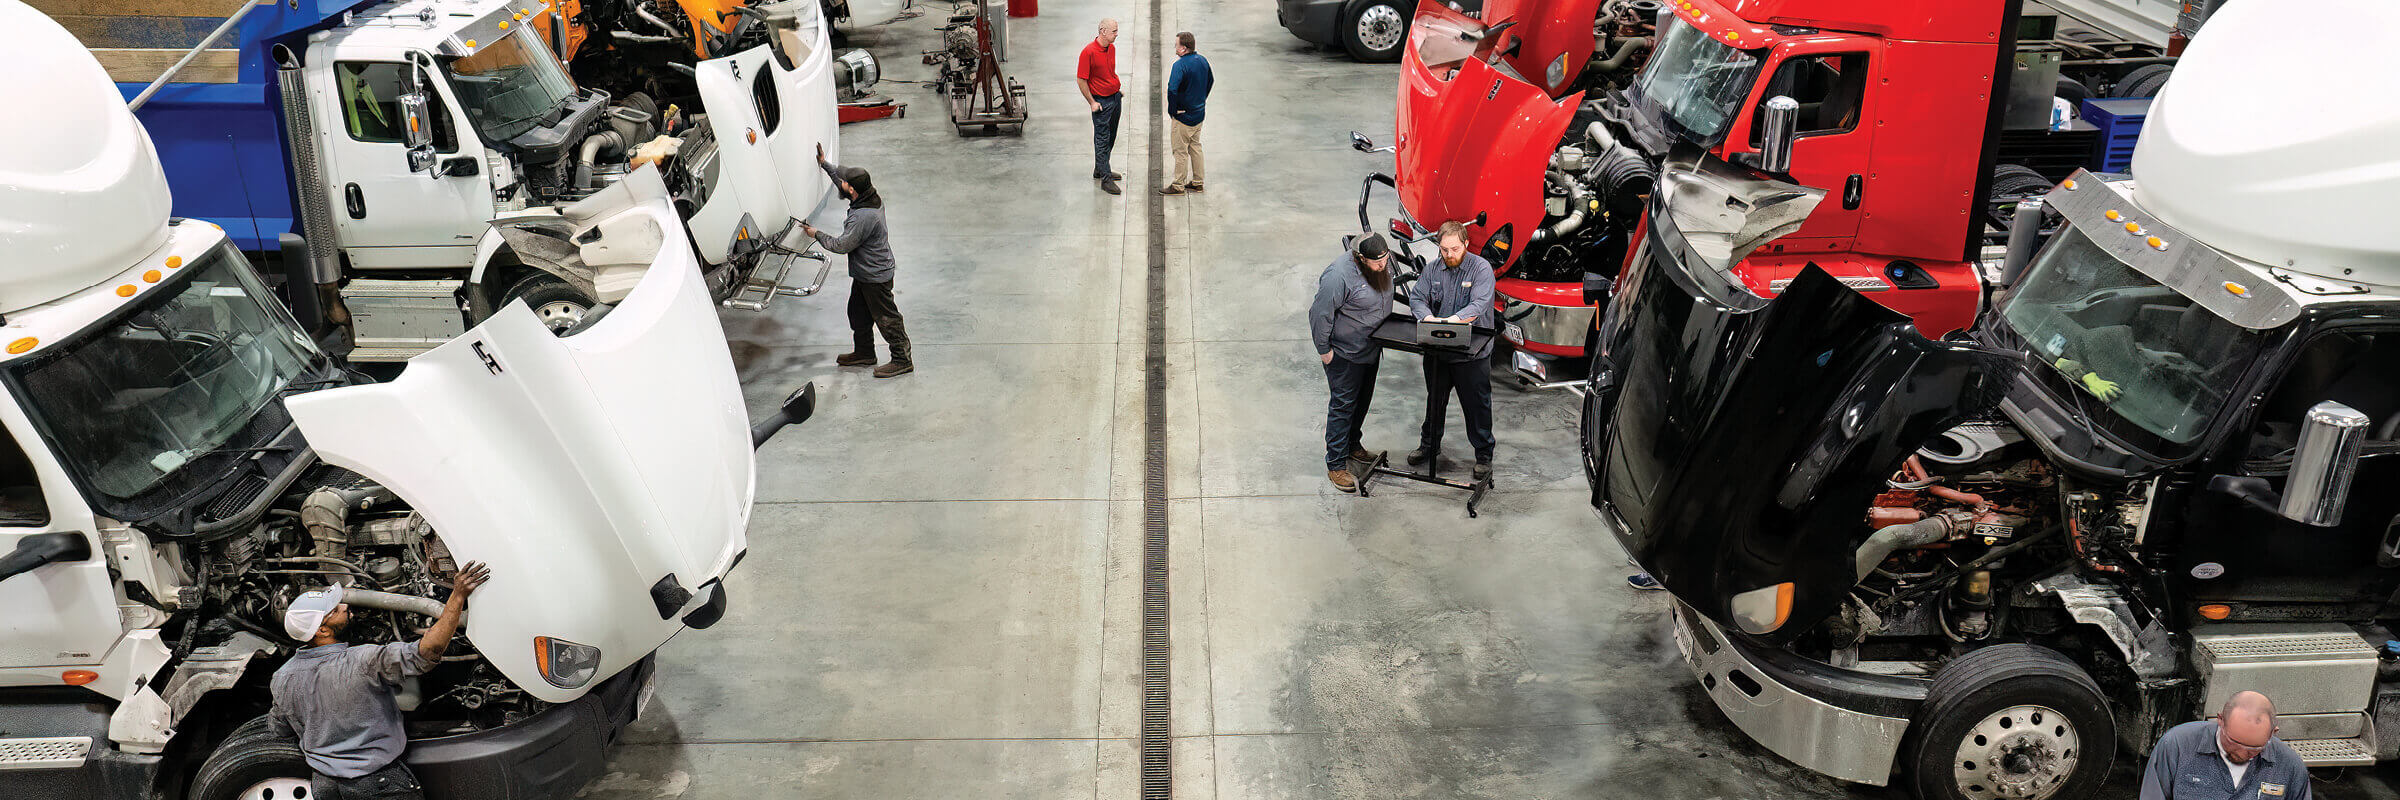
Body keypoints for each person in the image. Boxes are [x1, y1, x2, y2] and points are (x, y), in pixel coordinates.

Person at [269, 562, 492, 800]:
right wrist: (457, 596)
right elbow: (427, 651)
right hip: (378, 785)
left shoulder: (281, 678)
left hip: (325, 787)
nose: (344, 606)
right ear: (322, 630)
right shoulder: (363, 660)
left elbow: (279, 729)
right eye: (335, 610)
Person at [805, 143, 912, 378]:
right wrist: (825, 164)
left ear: (852, 190)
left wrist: (816, 234)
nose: (841, 183)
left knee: (886, 318)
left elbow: (841, 245)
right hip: (865, 274)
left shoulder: (863, 217)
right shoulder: (866, 195)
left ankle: (902, 359)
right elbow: (842, 179)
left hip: (875, 276)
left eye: (845, 183)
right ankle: (864, 353)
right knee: (857, 313)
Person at [1406, 222, 1497, 483]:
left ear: (1466, 244)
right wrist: (1429, 319)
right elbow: (1417, 298)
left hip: (1471, 354)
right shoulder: (1432, 269)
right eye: (1444, 249)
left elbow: (1479, 303)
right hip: (1438, 352)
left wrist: (1453, 321)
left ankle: (1483, 454)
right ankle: (1429, 445)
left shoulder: (1480, 269)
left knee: (1477, 405)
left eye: (1454, 249)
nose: (1449, 254)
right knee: (1435, 401)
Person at [1311, 234, 1395, 492]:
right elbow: (1319, 313)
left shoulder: (1379, 264)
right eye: (1377, 263)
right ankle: (1336, 463)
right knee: (1343, 406)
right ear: (1360, 259)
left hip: (1371, 348)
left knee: (1362, 401)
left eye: (1385, 260)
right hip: (1346, 354)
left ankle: (1352, 445)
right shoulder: (1338, 276)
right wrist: (1325, 351)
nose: (1383, 267)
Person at [2139, 691, 2310, 800]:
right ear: (2220, 720)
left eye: (2254, 748)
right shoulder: (2177, 746)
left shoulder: (2290, 767)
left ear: (2273, 733)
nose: (2243, 753)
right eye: (2234, 742)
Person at [1160, 31, 1213, 196]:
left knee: (1180, 151)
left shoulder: (1180, 65)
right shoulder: (1202, 61)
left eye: (1176, 45)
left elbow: (1172, 90)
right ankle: (1198, 182)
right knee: (1195, 146)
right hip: (1199, 114)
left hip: (1183, 118)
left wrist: (1173, 110)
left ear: (1183, 48)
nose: (1175, 47)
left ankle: (1178, 185)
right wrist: (1201, 99)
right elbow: (1210, 80)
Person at [1078, 18, 1124, 196]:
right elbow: (1081, 79)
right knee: (1102, 139)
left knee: (1111, 135)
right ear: (1103, 31)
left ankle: (1100, 168)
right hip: (1101, 103)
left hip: (1114, 97)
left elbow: (1109, 72)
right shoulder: (1088, 52)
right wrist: (1092, 102)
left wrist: (1116, 89)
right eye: (1114, 31)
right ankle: (1106, 179)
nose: (1116, 34)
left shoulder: (1111, 48)